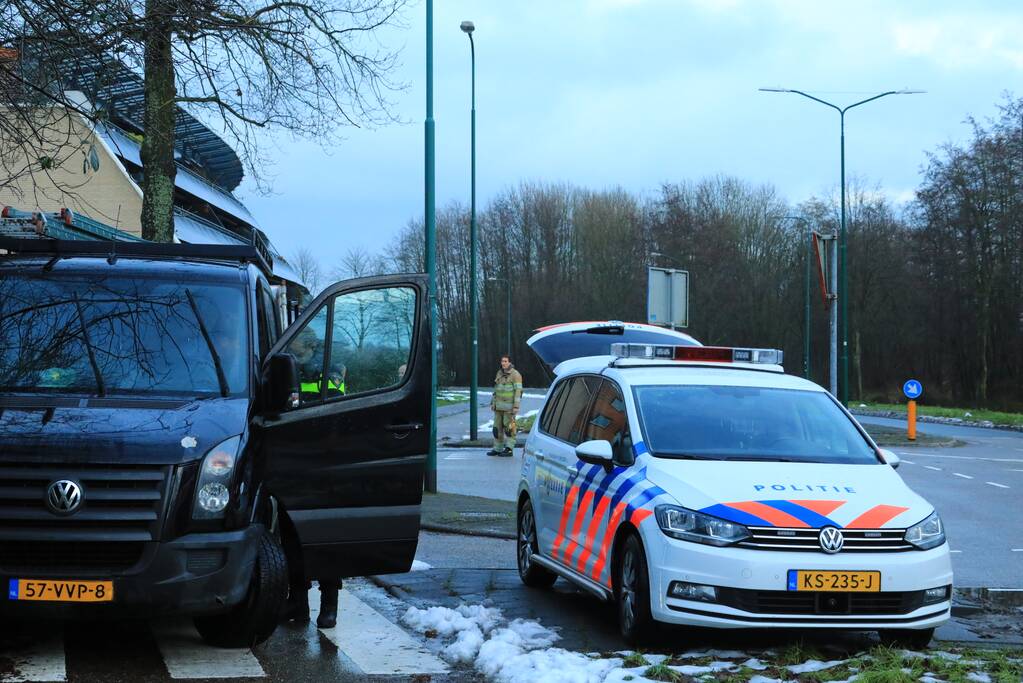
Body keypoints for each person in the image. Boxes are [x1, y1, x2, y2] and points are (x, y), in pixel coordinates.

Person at [488, 354, 522, 457]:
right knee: (497, 429)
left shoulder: (515, 375)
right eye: (502, 361)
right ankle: (498, 448)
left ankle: (509, 449)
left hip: (509, 408)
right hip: (498, 408)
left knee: (510, 430)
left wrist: (516, 407)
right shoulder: (499, 373)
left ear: (510, 362)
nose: (503, 363)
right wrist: (493, 403)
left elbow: (518, 392)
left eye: (505, 361)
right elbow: (496, 390)